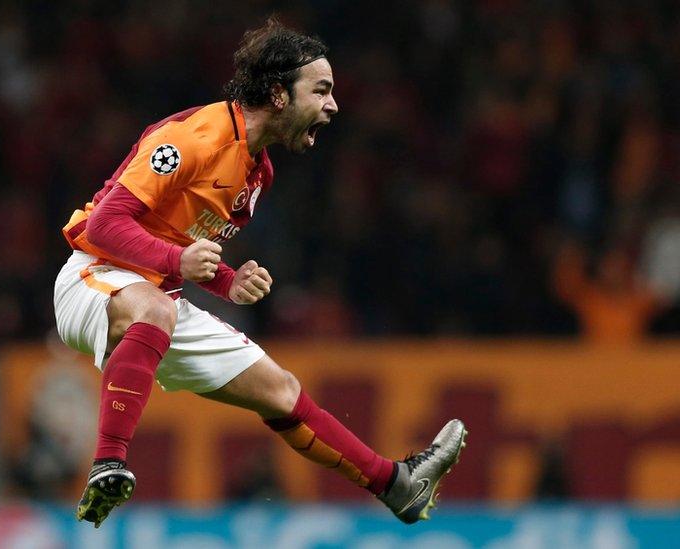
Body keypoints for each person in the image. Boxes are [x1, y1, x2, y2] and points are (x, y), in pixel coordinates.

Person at [53, 18, 467, 528]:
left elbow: (181, 246)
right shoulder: (194, 138)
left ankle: (398, 484)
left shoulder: (258, 172)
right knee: (155, 305)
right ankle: (108, 463)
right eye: (321, 90)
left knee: (281, 390)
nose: (333, 105)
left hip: (154, 302)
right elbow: (106, 223)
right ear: (277, 93)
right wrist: (175, 263)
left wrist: (226, 280)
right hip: (91, 276)